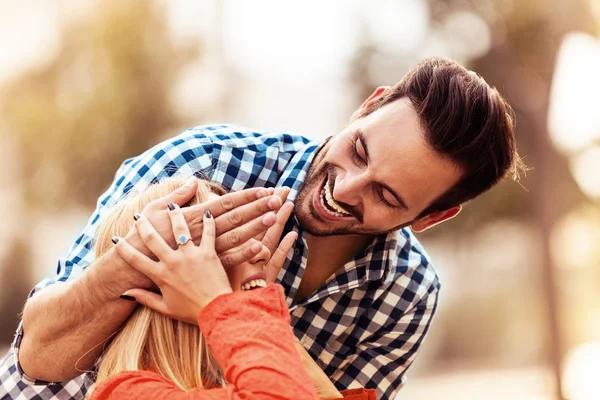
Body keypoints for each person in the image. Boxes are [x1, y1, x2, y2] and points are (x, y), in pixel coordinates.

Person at [0, 57, 524, 400]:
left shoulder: (405, 293)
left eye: (385, 196)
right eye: (359, 149)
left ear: (431, 217)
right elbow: (37, 360)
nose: (345, 188)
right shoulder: (200, 164)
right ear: (368, 106)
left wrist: (227, 305)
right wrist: (127, 266)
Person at [88, 176, 374, 399]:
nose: (255, 252)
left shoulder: (223, 384)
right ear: (169, 277)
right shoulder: (125, 392)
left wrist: (251, 295)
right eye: (229, 240)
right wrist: (227, 304)